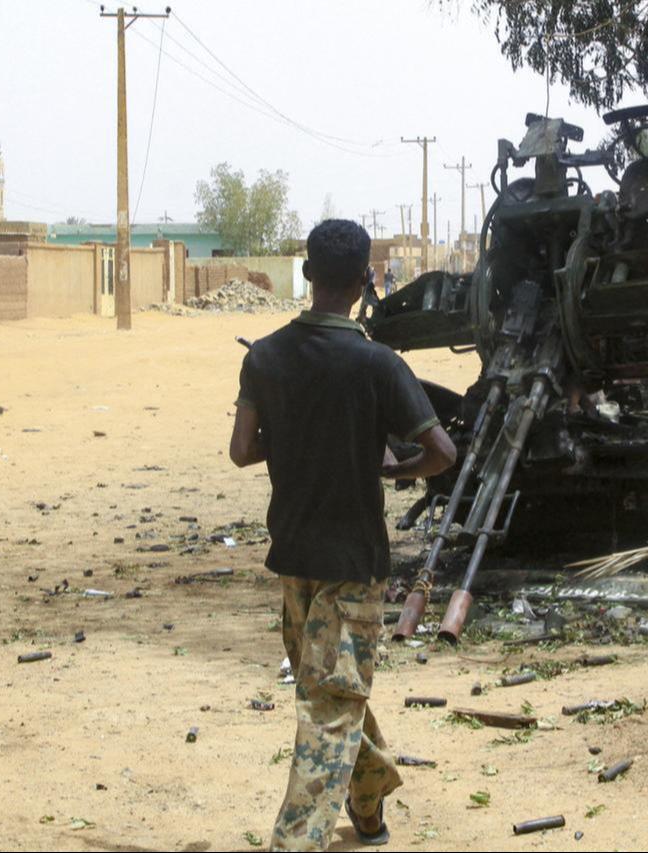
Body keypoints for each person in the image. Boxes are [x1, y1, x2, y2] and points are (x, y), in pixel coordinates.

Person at [229, 219, 456, 851]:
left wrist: (297, 438)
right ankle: (309, 831)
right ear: (365, 283)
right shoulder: (378, 364)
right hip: (353, 563)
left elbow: (242, 450)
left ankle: (366, 796)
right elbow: (442, 451)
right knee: (333, 700)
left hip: (294, 559)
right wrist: (396, 467)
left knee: (329, 693)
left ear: (307, 274)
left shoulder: (264, 357)